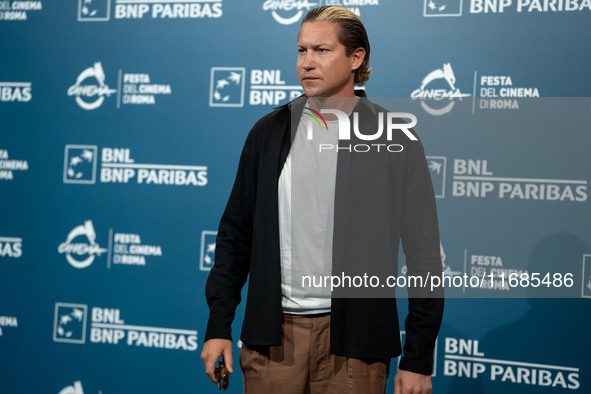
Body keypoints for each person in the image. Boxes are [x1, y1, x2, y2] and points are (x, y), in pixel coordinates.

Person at [201, 6, 443, 394]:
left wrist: (418, 357)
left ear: (356, 58)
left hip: (356, 350)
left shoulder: (396, 141)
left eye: (321, 51)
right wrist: (218, 326)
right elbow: (235, 236)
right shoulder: (267, 134)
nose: (307, 63)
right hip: (273, 344)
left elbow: (424, 256)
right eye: (301, 51)